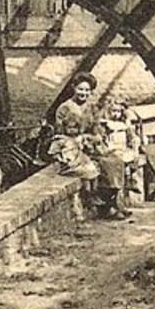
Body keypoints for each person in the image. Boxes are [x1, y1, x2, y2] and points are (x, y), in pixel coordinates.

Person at [50, 73, 130, 219]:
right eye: (80, 89)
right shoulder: (64, 108)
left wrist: (94, 138)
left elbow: (96, 130)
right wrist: (76, 140)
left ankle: (112, 203)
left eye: (87, 90)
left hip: (90, 145)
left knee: (116, 161)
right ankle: (107, 208)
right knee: (103, 164)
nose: (83, 93)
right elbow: (60, 134)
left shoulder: (91, 108)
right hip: (73, 149)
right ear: (74, 88)